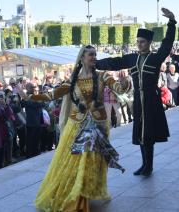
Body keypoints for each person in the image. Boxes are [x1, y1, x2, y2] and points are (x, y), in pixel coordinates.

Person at [25, 45, 129, 212]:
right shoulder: (73, 79)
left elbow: (119, 89)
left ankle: (85, 193)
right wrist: (31, 96)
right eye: (91, 55)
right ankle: (76, 197)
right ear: (82, 58)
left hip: (99, 125)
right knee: (77, 161)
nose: (94, 58)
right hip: (77, 125)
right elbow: (53, 95)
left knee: (92, 161)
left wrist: (124, 83)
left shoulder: (103, 76)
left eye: (95, 55)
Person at [96, 8, 176, 177]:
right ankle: (144, 164)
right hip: (138, 100)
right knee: (140, 133)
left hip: (151, 100)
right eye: (138, 41)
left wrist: (172, 22)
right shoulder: (132, 58)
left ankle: (149, 165)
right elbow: (114, 62)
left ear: (149, 43)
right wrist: (95, 63)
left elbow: (167, 43)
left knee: (149, 135)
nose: (139, 44)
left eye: (142, 42)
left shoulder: (155, 58)